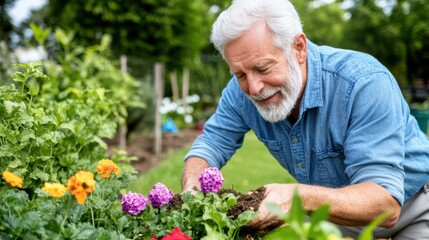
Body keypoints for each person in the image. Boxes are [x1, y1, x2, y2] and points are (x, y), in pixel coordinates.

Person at [181, 0, 429, 238]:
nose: (253, 88)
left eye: (263, 68)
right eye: (240, 74)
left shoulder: (362, 83)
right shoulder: (240, 93)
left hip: (414, 208)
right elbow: (211, 143)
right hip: (336, 216)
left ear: (298, 48)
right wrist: (192, 186)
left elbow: (386, 205)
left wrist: (295, 197)